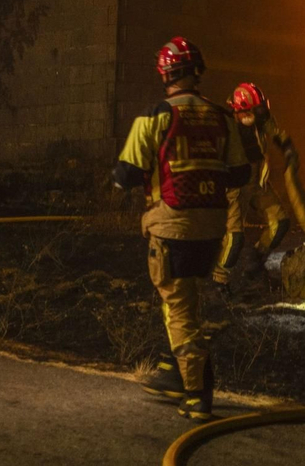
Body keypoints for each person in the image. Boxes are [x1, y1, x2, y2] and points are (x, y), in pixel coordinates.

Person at [112, 37, 251, 420]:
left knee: (178, 310)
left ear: (165, 74)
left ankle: (196, 393)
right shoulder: (222, 117)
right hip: (212, 228)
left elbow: (124, 175)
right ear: (197, 71)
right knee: (186, 300)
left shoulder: (155, 116)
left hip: (171, 227)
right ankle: (174, 371)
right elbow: (240, 172)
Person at [211, 82, 292, 294]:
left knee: (280, 223)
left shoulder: (259, 120)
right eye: (253, 111)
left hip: (256, 183)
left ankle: (255, 265)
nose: (257, 115)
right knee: (235, 239)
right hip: (233, 187)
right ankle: (220, 283)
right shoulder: (226, 126)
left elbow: (275, 131)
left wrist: (288, 148)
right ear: (240, 110)